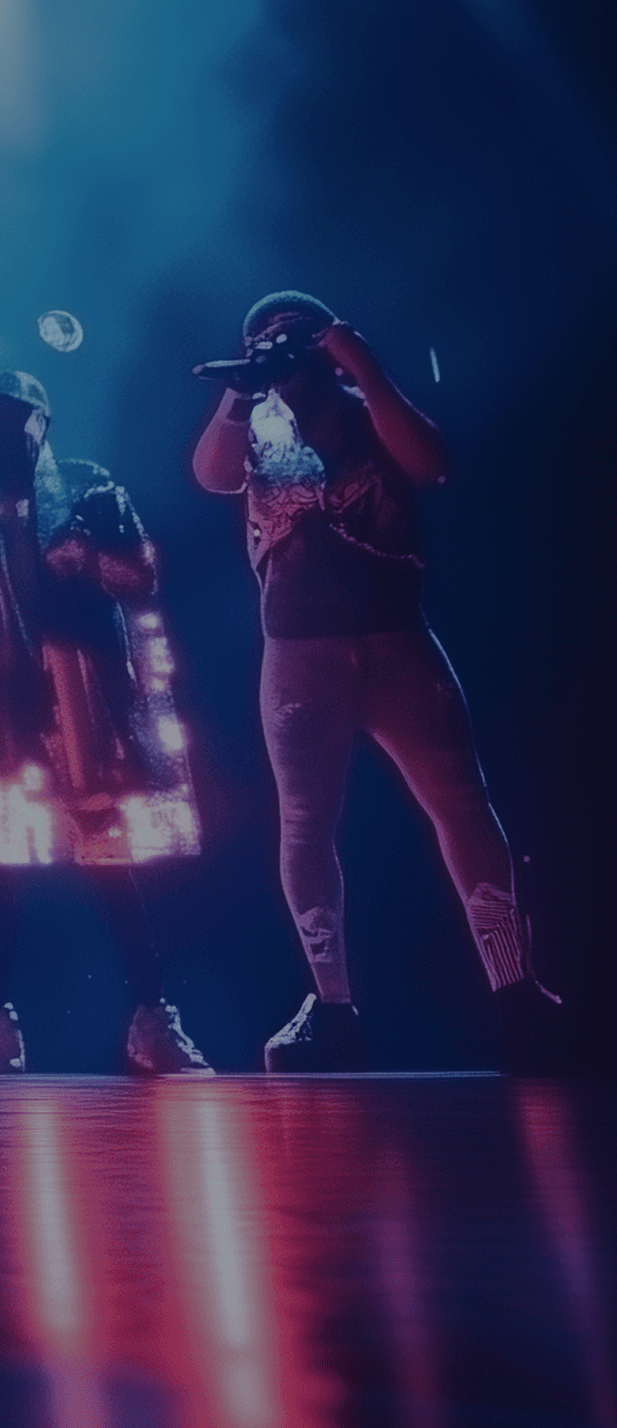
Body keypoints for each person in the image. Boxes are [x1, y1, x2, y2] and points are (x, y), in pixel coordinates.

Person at [189, 293, 562, 1071]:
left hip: (396, 643)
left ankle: (515, 992)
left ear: (325, 342)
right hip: (299, 656)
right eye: (263, 339)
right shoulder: (255, 426)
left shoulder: (367, 408)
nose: (278, 349)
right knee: (304, 824)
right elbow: (211, 476)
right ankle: (333, 1008)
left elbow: (433, 463)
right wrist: (240, 385)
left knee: (461, 802)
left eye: (292, 337)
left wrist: (360, 363)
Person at [0, 371, 211, 1077]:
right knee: (1, 869)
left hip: (85, 710)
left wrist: (94, 550)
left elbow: (140, 577)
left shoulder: (88, 489)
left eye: (3, 417)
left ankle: (153, 1020)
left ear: (39, 423)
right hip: (10, 713)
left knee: (110, 867)